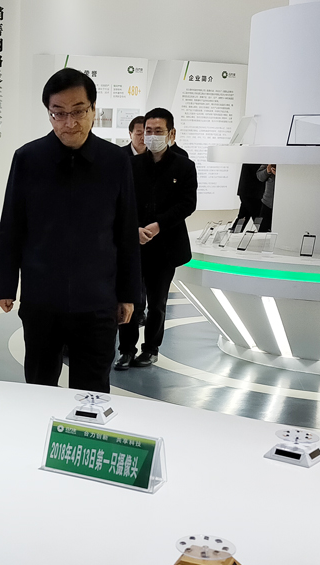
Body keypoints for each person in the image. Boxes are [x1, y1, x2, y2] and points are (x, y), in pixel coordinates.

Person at [0, 68, 141, 393]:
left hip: (97, 299)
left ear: (93, 109)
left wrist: (129, 294)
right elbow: (12, 226)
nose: (69, 123)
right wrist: (5, 284)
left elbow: (126, 231)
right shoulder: (28, 158)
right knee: (39, 385)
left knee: (92, 390)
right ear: (49, 113)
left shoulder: (115, 162)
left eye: (78, 112)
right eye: (58, 113)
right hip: (42, 297)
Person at [115, 108, 197, 370]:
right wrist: (134, 229)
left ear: (171, 133)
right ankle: (126, 350)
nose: (151, 136)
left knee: (157, 302)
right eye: (148, 131)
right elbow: (122, 203)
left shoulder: (184, 166)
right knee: (130, 298)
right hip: (134, 244)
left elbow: (187, 204)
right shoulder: (132, 165)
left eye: (158, 131)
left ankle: (151, 348)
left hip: (165, 247)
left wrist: (159, 225)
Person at [256, 163, 276, 231]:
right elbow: (260, 176)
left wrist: (279, 174)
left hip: (284, 202)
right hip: (267, 202)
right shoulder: (270, 160)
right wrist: (267, 171)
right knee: (262, 231)